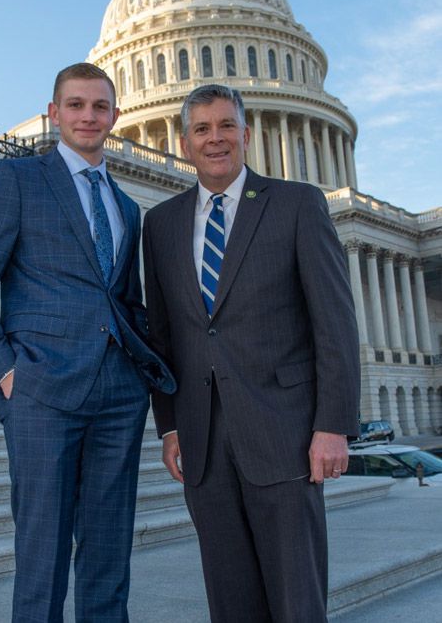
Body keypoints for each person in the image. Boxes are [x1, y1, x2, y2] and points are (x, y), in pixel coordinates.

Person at [0, 62, 175, 622]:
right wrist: (5, 371)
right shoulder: (17, 180)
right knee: (42, 551)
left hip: (118, 395)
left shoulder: (125, 207)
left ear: (115, 117)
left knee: (108, 551)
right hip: (41, 391)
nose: (87, 116)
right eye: (75, 105)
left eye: (99, 106)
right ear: (54, 113)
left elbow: (124, 301)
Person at [142, 84, 360, 623]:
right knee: (229, 598)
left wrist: (332, 425)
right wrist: (169, 427)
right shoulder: (162, 223)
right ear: (184, 142)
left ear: (247, 133)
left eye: (225, 126)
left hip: (284, 434)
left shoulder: (296, 203)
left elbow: (334, 325)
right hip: (203, 444)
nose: (215, 139)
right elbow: (162, 336)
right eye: (202, 129)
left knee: (296, 599)